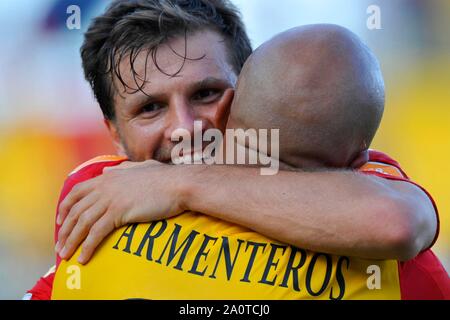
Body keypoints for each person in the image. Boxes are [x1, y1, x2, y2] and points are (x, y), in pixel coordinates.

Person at [25, 0, 445, 300]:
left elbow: (396, 221)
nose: (185, 130)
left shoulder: (354, 186)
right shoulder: (97, 194)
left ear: (250, 88)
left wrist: (180, 184)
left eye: (206, 93)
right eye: (150, 108)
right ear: (114, 133)